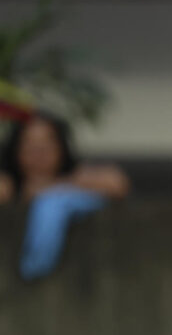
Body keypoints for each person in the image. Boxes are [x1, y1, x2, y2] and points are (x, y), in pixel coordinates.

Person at [0, 110, 128, 279]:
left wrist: (50, 186)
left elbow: (117, 183)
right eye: (29, 145)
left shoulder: (75, 177)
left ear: (61, 148)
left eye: (47, 145)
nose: (38, 153)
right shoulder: (9, 182)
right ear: (16, 149)